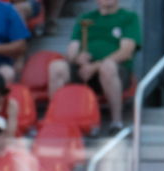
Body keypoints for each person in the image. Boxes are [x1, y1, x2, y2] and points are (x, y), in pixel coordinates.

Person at [46, 0, 138, 132]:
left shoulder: (129, 17)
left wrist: (96, 66)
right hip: (84, 69)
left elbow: (126, 52)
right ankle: (56, 122)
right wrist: (78, 58)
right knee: (56, 67)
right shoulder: (85, 18)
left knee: (108, 67)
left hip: (117, 71)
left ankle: (116, 123)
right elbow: (71, 51)